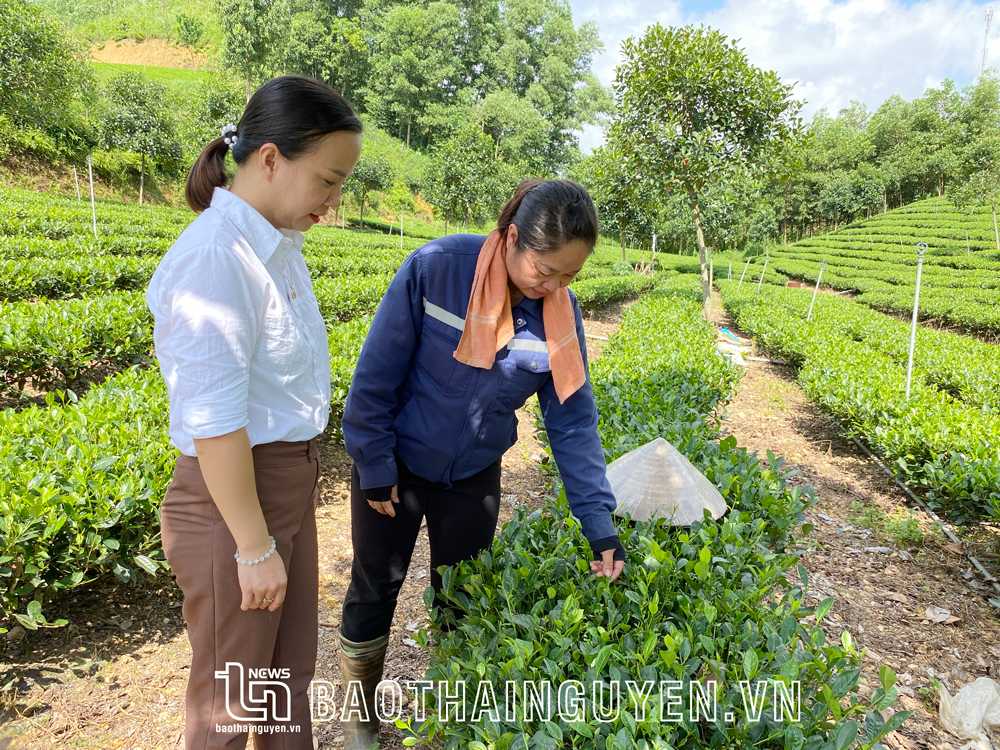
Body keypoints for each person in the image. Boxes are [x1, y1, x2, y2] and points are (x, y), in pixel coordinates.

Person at [339, 178, 627, 749]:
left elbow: (572, 424)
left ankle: (447, 716)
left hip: (472, 475)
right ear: (513, 237)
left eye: (570, 276)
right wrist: (373, 461)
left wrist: (599, 525)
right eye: (546, 271)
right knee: (375, 587)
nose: (556, 287)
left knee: (462, 598)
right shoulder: (437, 266)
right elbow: (375, 375)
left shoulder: (559, 318)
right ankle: (360, 719)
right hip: (394, 466)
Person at [145, 75, 362, 750]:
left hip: (285, 486)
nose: (333, 201)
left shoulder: (276, 248)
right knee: (231, 702)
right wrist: (253, 544)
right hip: (234, 503)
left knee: (283, 682)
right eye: (328, 180)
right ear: (270, 159)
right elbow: (214, 421)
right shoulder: (218, 258)